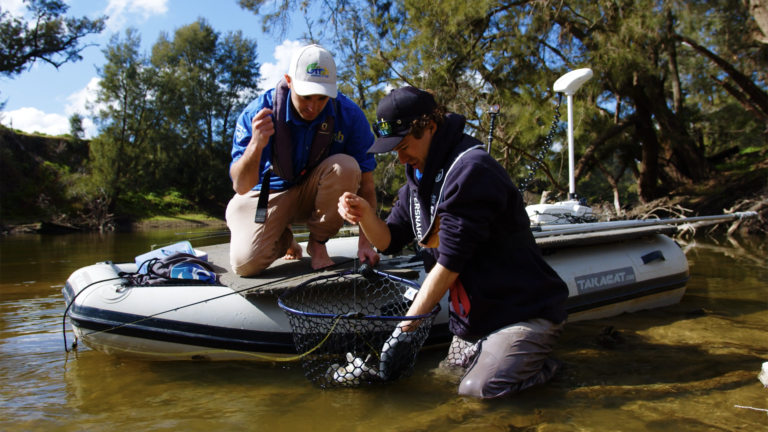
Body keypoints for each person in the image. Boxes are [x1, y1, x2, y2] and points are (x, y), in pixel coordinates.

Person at [337, 87, 569, 398]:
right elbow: (390, 241)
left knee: (477, 391)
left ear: (430, 128)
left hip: (521, 314)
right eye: (394, 150)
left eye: (404, 146)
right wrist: (365, 215)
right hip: (475, 323)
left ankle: (548, 371)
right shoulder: (418, 177)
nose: (401, 157)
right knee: (443, 384)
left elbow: (450, 263)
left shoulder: (471, 170)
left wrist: (404, 331)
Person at [227, 45, 380, 276]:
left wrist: (365, 243)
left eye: (322, 98)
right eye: (306, 96)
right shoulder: (257, 113)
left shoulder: (350, 115)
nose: (313, 107)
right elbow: (240, 185)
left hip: (318, 192)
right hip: (269, 194)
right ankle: (284, 236)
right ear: (289, 81)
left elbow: (366, 186)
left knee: (347, 166)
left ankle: (318, 243)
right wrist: (255, 146)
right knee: (245, 264)